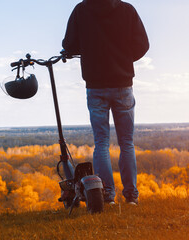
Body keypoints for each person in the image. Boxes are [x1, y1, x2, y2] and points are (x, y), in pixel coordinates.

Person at [62, 0, 149, 205]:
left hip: (95, 85)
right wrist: (124, 58)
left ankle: (107, 196)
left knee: (101, 143)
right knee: (126, 143)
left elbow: (69, 45)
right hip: (123, 83)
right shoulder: (127, 10)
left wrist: (89, 53)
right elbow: (143, 45)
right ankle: (131, 197)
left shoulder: (81, 10)